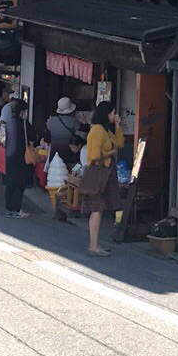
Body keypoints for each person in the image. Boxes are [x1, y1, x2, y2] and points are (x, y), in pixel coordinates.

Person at [79, 100, 124, 256]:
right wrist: (110, 154)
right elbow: (95, 155)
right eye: (112, 113)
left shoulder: (105, 130)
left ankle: (94, 244)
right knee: (97, 209)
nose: (114, 115)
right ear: (106, 113)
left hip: (104, 173)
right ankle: (94, 246)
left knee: (98, 209)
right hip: (99, 173)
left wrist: (117, 125)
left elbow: (120, 142)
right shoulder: (98, 131)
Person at [1, 96, 33, 216]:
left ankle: (8, 209)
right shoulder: (24, 124)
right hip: (21, 156)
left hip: (9, 155)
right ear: (22, 111)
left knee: (10, 183)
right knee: (20, 184)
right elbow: (33, 136)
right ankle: (17, 209)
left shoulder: (8, 122)